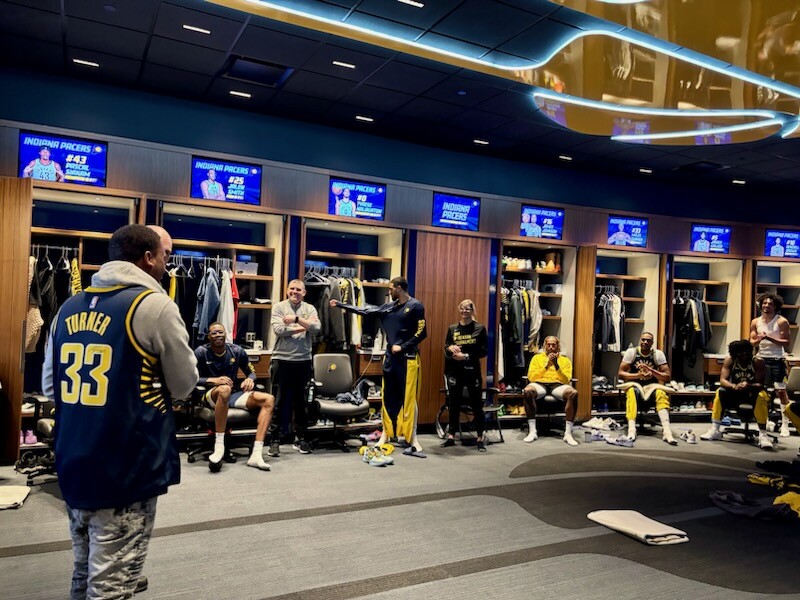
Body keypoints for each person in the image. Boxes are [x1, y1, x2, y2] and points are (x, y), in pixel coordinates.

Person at [42, 224, 197, 599]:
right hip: (127, 460)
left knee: (85, 568)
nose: (166, 263)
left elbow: (50, 386)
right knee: (112, 583)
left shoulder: (69, 306)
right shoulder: (154, 305)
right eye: (163, 256)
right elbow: (184, 383)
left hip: (74, 456)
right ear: (147, 258)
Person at [330, 276, 427, 452]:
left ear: (399, 288)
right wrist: (341, 305)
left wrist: (403, 346)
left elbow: (422, 333)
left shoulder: (416, 306)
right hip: (390, 357)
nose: (389, 292)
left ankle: (412, 437)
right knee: (388, 397)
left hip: (409, 358)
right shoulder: (389, 307)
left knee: (408, 399)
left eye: (391, 289)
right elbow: (365, 311)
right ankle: (386, 433)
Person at [196, 322, 275, 472]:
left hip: (231, 394)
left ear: (226, 334)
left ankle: (256, 454)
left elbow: (251, 372)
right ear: (208, 336)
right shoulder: (201, 352)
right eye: (214, 333)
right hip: (208, 395)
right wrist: (212, 380)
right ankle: (219, 445)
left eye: (221, 332)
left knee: (268, 399)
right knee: (224, 389)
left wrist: (250, 379)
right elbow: (188, 378)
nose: (218, 335)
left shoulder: (237, 351)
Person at [268, 279, 321, 456]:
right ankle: (274, 440)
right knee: (278, 402)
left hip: (303, 361)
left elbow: (317, 328)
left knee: (301, 402)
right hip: (281, 360)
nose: (295, 292)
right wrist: (303, 326)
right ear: (287, 290)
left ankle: (302, 439)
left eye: (298, 289)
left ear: (304, 292)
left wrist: (296, 320)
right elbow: (279, 330)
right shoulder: (278, 307)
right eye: (292, 289)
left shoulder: (310, 308)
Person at [700, 340, 773, 448]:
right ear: (735, 354)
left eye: (747, 352)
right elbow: (723, 380)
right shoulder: (730, 361)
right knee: (720, 391)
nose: (745, 355)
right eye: (741, 353)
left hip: (753, 393)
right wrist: (734, 386)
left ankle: (763, 434)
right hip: (736, 392)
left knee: (761, 395)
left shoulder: (757, 362)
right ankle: (715, 429)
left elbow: (760, 384)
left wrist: (748, 385)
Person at [442, 299, 489, 452]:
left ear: (472, 310)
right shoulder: (452, 328)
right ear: (459, 310)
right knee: (454, 403)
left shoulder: (480, 328)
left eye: (468, 309)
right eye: (462, 308)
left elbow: (483, 351)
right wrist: (451, 348)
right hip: (454, 371)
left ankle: (480, 436)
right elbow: (446, 347)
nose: (464, 311)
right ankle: (451, 436)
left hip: (472, 371)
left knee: (476, 404)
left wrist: (466, 356)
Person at [618, 332, 677, 444]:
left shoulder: (658, 354)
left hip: (652, 386)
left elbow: (667, 377)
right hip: (635, 385)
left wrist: (652, 372)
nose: (645, 342)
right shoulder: (632, 352)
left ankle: (667, 432)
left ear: (652, 342)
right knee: (631, 392)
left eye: (648, 340)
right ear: (640, 340)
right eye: (643, 339)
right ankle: (631, 430)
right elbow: (621, 373)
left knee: (661, 393)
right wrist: (638, 376)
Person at [522, 336, 580, 446]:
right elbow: (531, 377)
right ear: (545, 346)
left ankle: (568, 433)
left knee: (573, 393)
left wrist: (556, 365)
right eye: (548, 345)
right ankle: (532, 431)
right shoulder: (536, 358)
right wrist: (546, 365)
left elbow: (566, 380)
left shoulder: (565, 360)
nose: (551, 347)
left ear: (558, 346)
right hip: (539, 383)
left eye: (553, 345)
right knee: (528, 390)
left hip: (557, 385)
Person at [750, 292, 792, 437]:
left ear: (776, 306)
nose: (766, 306)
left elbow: (786, 342)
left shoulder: (781, 321)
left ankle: (786, 424)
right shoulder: (755, 321)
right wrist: (758, 340)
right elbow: (752, 341)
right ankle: (764, 421)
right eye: (764, 303)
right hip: (761, 359)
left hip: (777, 360)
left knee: (781, 391)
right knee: (762, 392)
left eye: (770, 304)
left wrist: (769, 337)